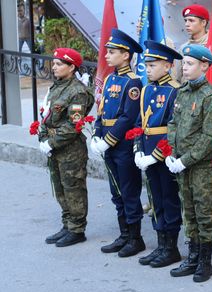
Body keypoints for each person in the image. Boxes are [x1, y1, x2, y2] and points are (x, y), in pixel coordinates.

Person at [165, 44, 212, 283]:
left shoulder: (210, 97)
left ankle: (205, 262)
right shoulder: (183, 92)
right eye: (184, 63)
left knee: (204, 212)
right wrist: (172, 152)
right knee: (188, 211)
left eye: (189, 64)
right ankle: (191, 257)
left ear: (204, 66)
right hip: (181, 163)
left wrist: (186, 160)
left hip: (200, 167)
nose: (185, 68)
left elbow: (211, 137)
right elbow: (173, 123)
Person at [91, 29, 145, 258]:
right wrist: (96, 133)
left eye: (112, 52)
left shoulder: (133, 83)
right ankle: (124, 234)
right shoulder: (112, 79)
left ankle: (135, 238)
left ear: (125, 55)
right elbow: (102, 110)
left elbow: (127, 116)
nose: (106, 56)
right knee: (116, 191)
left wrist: (109, 140)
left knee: (128, 190)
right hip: (107, 141)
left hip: (121, 144)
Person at [133, 41, 184, 268]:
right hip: (146, 152)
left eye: (153, 65)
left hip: (164, 155)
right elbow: (139, 123)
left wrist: (155, 155)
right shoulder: (146, 89)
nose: (148, 69)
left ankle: (171, 247)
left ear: (167, 66)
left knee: (168, 198)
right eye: (147, 65)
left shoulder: (175, 91)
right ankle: (161, 244)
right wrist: (137, 149)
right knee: (155, 199)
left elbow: (174, 130)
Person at [39, 48, 94, 247]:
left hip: (71, 150)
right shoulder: (57, 87)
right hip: (55, 147)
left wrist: (51, 142)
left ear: (72, 67)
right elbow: (47, 116)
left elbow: (74, 125)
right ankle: (67, 223)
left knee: (73, 188)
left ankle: (77, 229)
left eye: (59, 64)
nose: (54, 67)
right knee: (60, 187)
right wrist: (43, 136)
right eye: (54, 63)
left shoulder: (77, 91)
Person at [173, 4, 209, 83]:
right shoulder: (183, 48)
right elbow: (177, 78)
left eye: (191, 20)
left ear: (203, 22)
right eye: (185, 20)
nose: (187, 24)